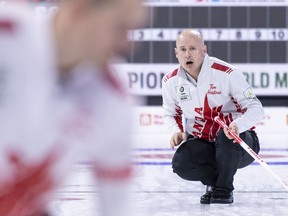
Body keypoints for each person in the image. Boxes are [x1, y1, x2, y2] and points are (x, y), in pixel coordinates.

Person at [0, 0, 147, 215]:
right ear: (79, 9)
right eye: (121, 26)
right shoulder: (8, 33)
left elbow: (116, 206)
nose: (128, 43)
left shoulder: (113, 101)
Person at [162, 29, 264, 204]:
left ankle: (224, 189)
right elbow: (170, 113)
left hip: (239, 143)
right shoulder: (170, 81)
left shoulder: (227, 73)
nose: (188, 54)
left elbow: (256, 108)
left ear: (204, 50)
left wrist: (237, 125)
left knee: (225, 137)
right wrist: (176, 131)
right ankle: (214, 183)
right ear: (176, 52)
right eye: (183, 49)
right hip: (203, 141)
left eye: (193, 48)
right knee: (181, 163)